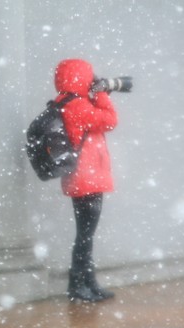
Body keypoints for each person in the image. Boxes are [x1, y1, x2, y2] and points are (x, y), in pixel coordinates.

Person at [54, 58, 117, 303]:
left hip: (81, 177)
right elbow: (110, 120)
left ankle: (88, 282)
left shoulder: (66, 102)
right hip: (87, 178)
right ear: (81, 78)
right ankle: (78, 284)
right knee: (85, 234)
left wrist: (94, 93)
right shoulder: (77, 106)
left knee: (86, 233)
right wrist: (101, 94)